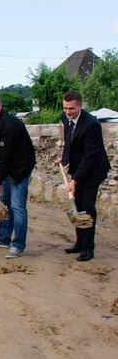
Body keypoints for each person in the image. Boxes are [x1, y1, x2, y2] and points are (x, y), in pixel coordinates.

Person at [0, 92, 35, 258]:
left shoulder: (9, 125)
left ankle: (18, 244)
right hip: (6, 164)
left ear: (0, 107)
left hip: (20, 167)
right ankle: (3, 237)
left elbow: (5, 155)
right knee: (4, 203)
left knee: (17, 207)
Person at [57, 90, 110, 262]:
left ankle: (88, 248)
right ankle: (79, 243)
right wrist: (64, 158)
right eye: (65, 108)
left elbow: (90, 156)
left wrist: (75, 180)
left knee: (87, 208)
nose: (67, 112)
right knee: (77, 206)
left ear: (80, 105)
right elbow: (69, 141)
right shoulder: (66, 118)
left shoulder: (92, 124)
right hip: (78, 168)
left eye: (71, 109)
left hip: (93, 170)